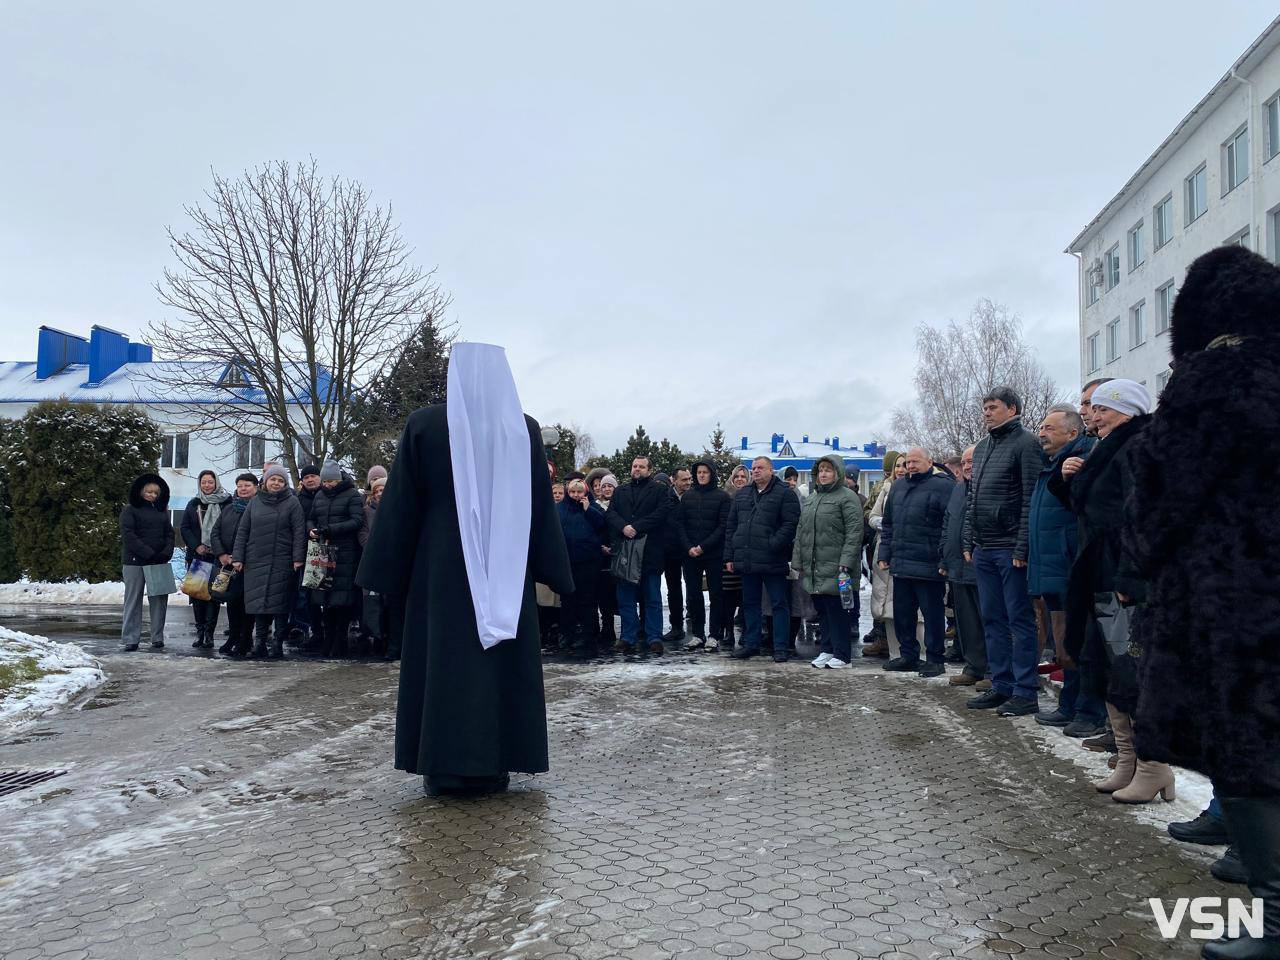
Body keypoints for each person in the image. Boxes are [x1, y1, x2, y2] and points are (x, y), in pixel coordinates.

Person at [1126, 247, 1280, 956]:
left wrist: (1146, 548)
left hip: (1234, 601)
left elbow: (1166, 498)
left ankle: (1273, 916)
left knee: (1244, 744)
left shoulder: (1215, 379)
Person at [356, 343, 573, 797]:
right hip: (506, 566)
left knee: (444, 661)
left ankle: (442, 765)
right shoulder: (523, 429)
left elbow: (401, 505)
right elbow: (539, 505)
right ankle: (497, 761)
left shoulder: (424, 424)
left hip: (440, 568)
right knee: (498, 663)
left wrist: (385, 572)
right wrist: (554, 566)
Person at [1050, 379, 1175, 806]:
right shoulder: (1106, 448)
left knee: (1131, 669)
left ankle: (1154, 767)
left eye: (1102, 409)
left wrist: (1130, 578)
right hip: (1099, 574)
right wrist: (1068, 478)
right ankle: (1128, 760)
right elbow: (1093, 508)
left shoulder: (1139, 446)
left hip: (1122, 578)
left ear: (1129, 410)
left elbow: (1144, 517)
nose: (1093, 416)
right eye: (1092, 408)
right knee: (1107, 665)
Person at [963, 387, 1048, 717]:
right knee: (992, 619)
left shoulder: (1025, 444)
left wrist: (1022, 546)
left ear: (1012, 409)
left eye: (992, 407)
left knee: (1019, 620)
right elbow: (973, 499)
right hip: (984, 549)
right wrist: (969, 541)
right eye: (984, 407)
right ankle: (1001, 685)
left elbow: (1030, 498)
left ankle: (1025, 691)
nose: (986, 412)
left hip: (1009, 548)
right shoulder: (983, 447)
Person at [1028, 406, 1104, 735]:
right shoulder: (1052, 466)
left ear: (1072, 433)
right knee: (1066, 644)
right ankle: (1069, 705)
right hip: (1052, 570)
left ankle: (1089, 711)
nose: (1041, 433)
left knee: (1083, 643)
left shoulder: (1083, 460)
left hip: (1072, 568)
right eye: (1041, 426)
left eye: (1049, 428)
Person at [878, 447, 954, 676]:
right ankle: (908, 655)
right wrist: (884, 553)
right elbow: (888, 524)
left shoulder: (944, 486)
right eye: (907, 462)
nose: (910, 466)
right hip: (901, 563)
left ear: (929, 462)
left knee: (932, 615)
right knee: (903, 614)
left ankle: (934, 658)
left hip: (929, 564)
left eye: (915, 461)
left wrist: (945, 559)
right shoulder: (898, 487)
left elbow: (949, 526)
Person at [725, 456, 800, 662]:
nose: (756, 471)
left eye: (760, 468)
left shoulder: (784, 494)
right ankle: (751, 643)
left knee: (778, 603)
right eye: (754, 468)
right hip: (747, 558)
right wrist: (730, 555)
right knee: (750, 603)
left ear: (771, 470)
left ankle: (781, 647)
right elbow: (732, 526)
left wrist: (773, 544)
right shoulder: (743, 494)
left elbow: (790, 524)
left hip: (772, 558)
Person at [793, 453, 863, 669]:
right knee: (821, 609)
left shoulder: (847, 497)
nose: (823, 474)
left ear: (837, 473)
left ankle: (843, 655)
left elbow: (854, 533)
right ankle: (827, 649)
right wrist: (798, 560)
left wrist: (846, 561)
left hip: (838, 566)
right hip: (815, 565)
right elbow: (802, 530)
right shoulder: (813, 498)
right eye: (821, 470)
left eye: (828, 470)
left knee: (838, 610)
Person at [232, 463, 306, 659]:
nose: (276, 483)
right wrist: (238, 557)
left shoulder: (292, 503)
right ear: (265, 481)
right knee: (259, 605)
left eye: (281, 480)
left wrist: (298, 558)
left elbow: (299, 532)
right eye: (273, 479)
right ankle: (260, 644)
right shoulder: (255, 502)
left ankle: (278, 644)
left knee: (280, 605)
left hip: (282, 561)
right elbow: (243, 531)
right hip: (255, 560)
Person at [606, 456, 672, 657]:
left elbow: (662, 513)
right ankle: (628, 636)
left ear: (649, 470)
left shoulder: (659, 490)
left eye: (642, 467)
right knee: (625, 598)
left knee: (651, 597)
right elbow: (611, 513)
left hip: (649, 552)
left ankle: (654, 637)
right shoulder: (621, 491)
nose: (637, 469)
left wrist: (637, 527)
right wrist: (623, 527)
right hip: (625, 551)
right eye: (635, 466)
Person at [307, 461, 366, 658]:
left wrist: (332, 529)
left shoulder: (352, 495)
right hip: (323, 550)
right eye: (326, 481)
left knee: (342, 600)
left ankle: (340, 641)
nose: (328, 484)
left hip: (345, 552)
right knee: (325, 599)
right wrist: (312, 529)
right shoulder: (320, 495)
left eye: (332, 480)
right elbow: (311, 517)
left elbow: (357, 520)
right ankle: (328, 639)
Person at [940, 446, 986, 687]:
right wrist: (944, 558)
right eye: (965, 463)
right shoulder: (958, 490)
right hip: (957, 568)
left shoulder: (988, 488)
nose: (968, 466)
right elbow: (948, 525)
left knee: (985, 620)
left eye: (973, 461)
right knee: (966, 623)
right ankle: (974, 666)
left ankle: (992, 671)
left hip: (980, 568)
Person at [679, 460, 730, 651]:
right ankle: (698, 634)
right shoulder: (687, 497)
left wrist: (703, 546)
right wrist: (689, 547)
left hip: (713, 553)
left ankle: (714, 634)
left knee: (716, 594)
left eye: (705, 472)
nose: (701, 475)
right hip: (691, 553)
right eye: (699, 472)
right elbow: (680, 524)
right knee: (694, 594)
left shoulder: (722, 497)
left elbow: (723, 526)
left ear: (712, 474)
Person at [119, 472, 174, 652]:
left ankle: (157, 637)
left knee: (159, 600)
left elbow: (169, 534)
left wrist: (166, 552)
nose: (152, 495)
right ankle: (130, 638)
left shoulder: (161, 511)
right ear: (141, 491)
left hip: (158, 560)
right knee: (133, 600)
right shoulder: (129, 510)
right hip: (135, 562)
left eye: (155, 493)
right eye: (149, 492)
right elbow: (129, 535)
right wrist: (148, 553)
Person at [180, 469, 231, 649]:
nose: (207, 485)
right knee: (197, 597)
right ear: (200, 484)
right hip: (198, 556)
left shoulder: (227, 503)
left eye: (210, 482)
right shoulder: (193, 503)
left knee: (213, 597)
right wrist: (197, 545)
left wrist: (220, 549)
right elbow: (185, 527)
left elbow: (230, 528)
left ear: (216, 483)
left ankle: (210, 634)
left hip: (218, 558)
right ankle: (200, 633)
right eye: (204, 482)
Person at [557, 477, 607, 658]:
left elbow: (602, 525)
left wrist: (588, 511)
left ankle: (588, 634)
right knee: (568, 599)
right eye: (572, 492)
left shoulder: (593, 507)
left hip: (588, 561)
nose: (576, 495)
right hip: (567, 561)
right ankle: (566, 634)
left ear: (585, 493)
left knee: (587, 600)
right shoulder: (560, 509)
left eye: (579, 492)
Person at [211, 473, 257, 656]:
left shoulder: (258, 508)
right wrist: (222, 554)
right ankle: (233, 637)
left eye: (247, 485)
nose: (243, 489)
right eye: (240, 486)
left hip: (249, 564)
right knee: (232, 602)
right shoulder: (229, 509)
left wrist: (241, 557)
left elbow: (256, 538)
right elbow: (215, 533)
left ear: (256, 487)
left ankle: (246, 638)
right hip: (228, 564)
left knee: (247, 604)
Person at [865, 452, 905, 658]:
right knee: (885, 603)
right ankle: (892, 650)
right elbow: (871, 515)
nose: (900, 469)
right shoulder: (885, 488)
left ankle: (917, 652)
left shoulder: (919, 488)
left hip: (908, 553)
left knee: (907, 605)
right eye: (897, 466)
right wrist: (885, 524)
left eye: (904, 465)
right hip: (885, 549)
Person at [656, 470, 688, 644]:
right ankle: (676, 626)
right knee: (673, 589)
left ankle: (697, 625)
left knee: (693, 588)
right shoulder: (666, 499)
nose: (688, 482)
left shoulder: (692, 497)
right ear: (673, 481)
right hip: (670, 549)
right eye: (684, 480)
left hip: (690, 548)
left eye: (689, 479)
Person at [293, 464, 322, 646]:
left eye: (313, 476)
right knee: (306, 596)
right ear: (302, 481)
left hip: (326, 551)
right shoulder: (297, 500)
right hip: (304, 553)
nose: (310, 479)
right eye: (306, 477)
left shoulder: (326, 495)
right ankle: (312, 630)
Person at [593, 473, 620, 644]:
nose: (607, 489)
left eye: (610, 485)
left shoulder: (621, 505)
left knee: (620, 594)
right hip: (601, 556)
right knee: (603, 595)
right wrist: (600, 546)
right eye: (604, 486)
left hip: (618, 554)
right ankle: (607, 627)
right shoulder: (594, 507)